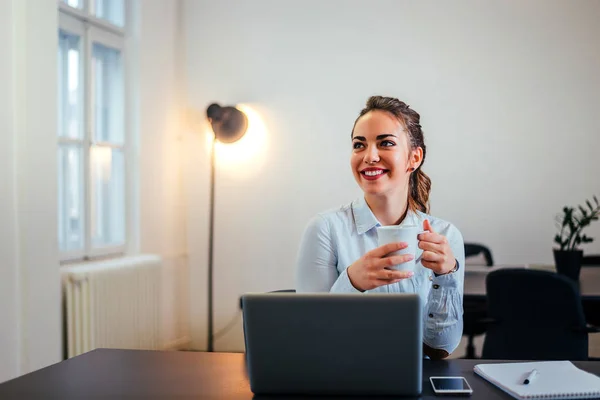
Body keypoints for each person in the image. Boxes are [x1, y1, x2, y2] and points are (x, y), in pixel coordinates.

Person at [295, 96, 465, 360]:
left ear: (414, 157)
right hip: (340, 376)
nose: (369, 156)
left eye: (385, 143)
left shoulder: (446, 236)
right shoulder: (325, 229)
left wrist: (447, 276)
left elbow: (441, 348)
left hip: (414, 382)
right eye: (358, 145)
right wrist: (351, 283)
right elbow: (308, 338)